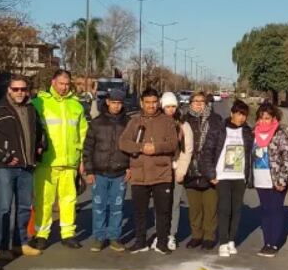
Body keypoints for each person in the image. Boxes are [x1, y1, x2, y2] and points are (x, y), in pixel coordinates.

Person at [0, 75, 47, 258]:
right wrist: (5, 156)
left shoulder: (31, 109)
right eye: (16, 89)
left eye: (23, 89)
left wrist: (41, 146)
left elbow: (39, 131)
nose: (20, 93)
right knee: (4, 207)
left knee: (24, 207)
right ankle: (3, 246)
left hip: (27, 166)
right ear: (9, 90)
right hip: (4, 167)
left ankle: (20, 243)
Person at [32, 69, 88, 250]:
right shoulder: (39, 103)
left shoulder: (76, 106)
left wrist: (82, 160)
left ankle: (68, 234)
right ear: (53, 82)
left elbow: (83, 134)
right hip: (46, 162)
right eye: (61, 84)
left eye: (67, 84)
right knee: (43, 200)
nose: (64, 87)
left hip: (70, 162)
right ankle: (41, 235)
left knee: (69, 199)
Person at [119, 88, 180, 254]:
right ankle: (140, 242)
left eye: (154, 102)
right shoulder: (134, 121)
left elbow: (173, 144)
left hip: (162, 174)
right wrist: (140, 147)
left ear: (158, 102)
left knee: (163, 211)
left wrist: (156, 148)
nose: (151, 106)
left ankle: (162, 242)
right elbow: (123, 143)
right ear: (141, 103)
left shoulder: (167, 121)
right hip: (140, 175)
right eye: (148, 102)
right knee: (139, 212)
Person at [202, 99, 253, 257]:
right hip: (222, 176)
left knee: (236, 210)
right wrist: (211, 174)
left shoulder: (247, 131)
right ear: (232, 114)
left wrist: (248, 176)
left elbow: (250, 154)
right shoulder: (219, 129)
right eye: (239, 114)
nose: (241, 118)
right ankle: (223, 242)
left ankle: (231, 240)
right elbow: (207, 151)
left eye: (244, 115)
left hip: (239, 176)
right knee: (224, 209)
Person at [82, 89, 131, 252]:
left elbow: (134, 149)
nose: (117, 106)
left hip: (120, 173)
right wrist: (89, 171)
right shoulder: (97, 123)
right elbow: (88, 148)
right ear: (108, 102)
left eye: (119, 103)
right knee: (99, 207)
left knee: (117, 208)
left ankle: (114, 237)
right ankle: (99, 237)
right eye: (114, 103)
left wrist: (131, 167)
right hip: (99, 173)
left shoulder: (128, 123)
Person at [251, 102, 288, 257]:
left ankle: (273, 244)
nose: (264, 121)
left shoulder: (281, 133)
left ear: (274, 118)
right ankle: (266, 242)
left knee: (275, 210)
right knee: (265, 210)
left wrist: (282, 180)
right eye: (261, 118)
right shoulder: (253, 133)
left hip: (276, 180)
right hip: (260, 179)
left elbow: (287, 158)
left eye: (267, 118)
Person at [182, 92, 222, 250]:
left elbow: (220, 143)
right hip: (190, 167)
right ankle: (196, 236)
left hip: (209, 167)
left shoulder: (215, 119)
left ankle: (209, 236)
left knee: (210, 206)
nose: (198, 103)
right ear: (190, 103)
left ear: (206, 103)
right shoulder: (184, 119)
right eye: (195, 101)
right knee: (195, 208)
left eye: (202, 101)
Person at [162, 91, 194, 251]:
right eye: (167, 106)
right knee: (161, 205)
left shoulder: (183, 124)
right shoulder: (156, 122)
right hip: (159, 171)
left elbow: (187, 149)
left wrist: (181, 170)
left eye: (173, 106)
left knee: (174, 204)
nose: (170, 109)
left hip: (176, 170)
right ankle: (161, 234)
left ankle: (171, 235)